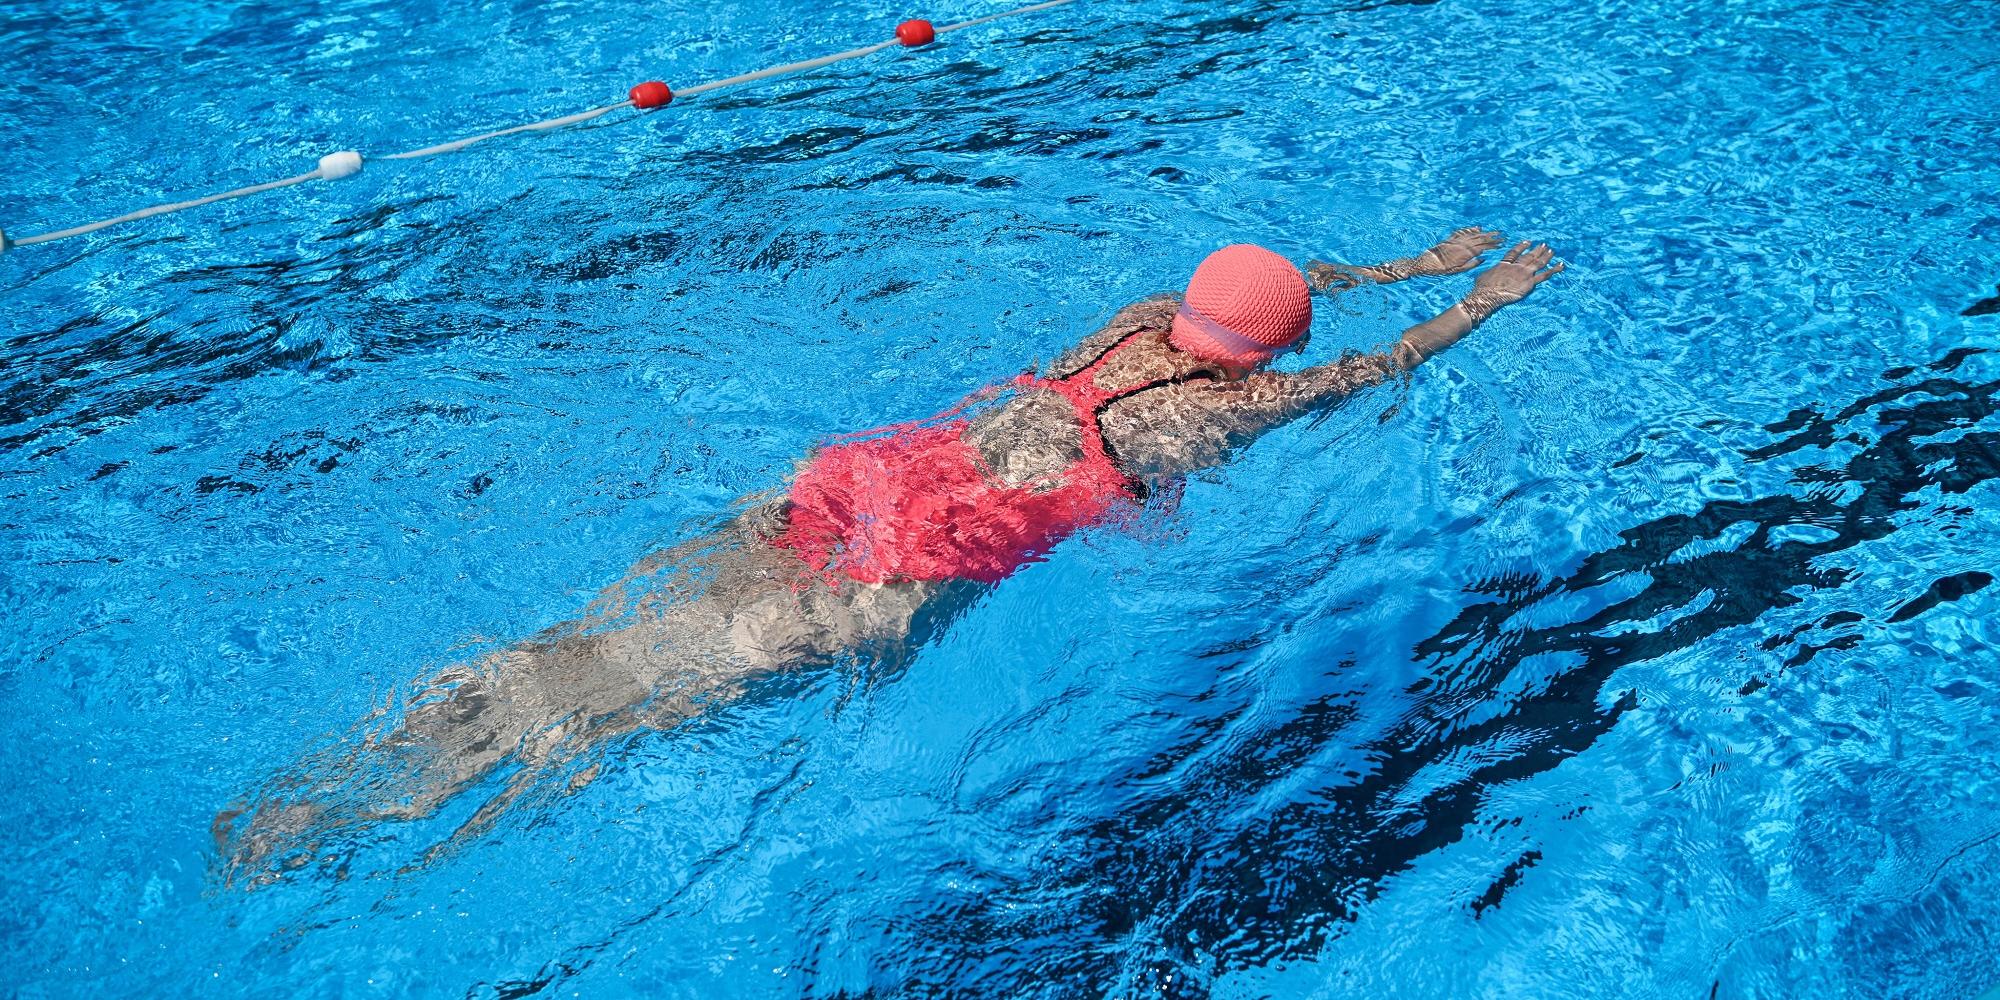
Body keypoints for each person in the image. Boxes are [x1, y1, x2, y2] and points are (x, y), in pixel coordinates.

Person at [215, 231, 1564, 881]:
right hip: (920, 562)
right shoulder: (1239, 405)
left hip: (868, 475)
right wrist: (1475, 297)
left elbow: (1278, 297)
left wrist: (1404, 262)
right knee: (646, 693)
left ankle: (371, 754)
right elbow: (1372, 366)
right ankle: (365, 825)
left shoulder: (1147, 316)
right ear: (1275, 350)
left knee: (608, 634)